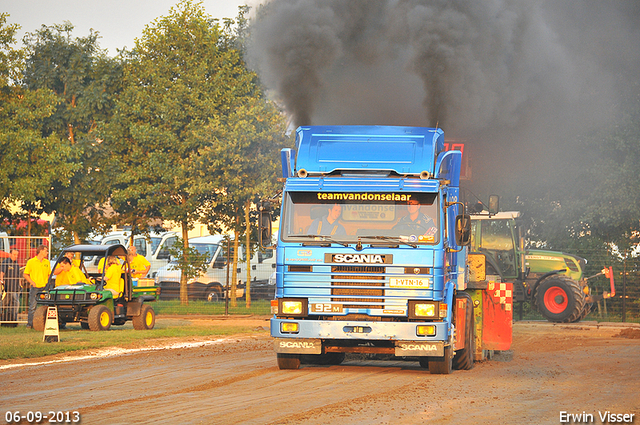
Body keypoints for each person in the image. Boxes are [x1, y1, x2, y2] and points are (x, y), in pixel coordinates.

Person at [24, 245, 50, 328]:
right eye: (46, 251)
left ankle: (45, 324)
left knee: (46, 306)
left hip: (45, 287)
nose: (47, 252)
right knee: (32, 306)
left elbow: (49, 274)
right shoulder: (31, 262)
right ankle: (30, 324)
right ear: (41, 251)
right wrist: (32, 282)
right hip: (35, 287)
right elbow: (25, 274)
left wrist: (47, 283)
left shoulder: (47, 262)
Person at [0, 249, 21, 326]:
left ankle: (13, 319)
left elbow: (18, 276)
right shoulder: (5, 262)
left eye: (17, 255)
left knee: (15, 303)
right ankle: (4, 319)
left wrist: (20, 285)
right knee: (5, 304)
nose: (16, 256)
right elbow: (1, 273)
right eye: (14, 254)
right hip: (7, 288)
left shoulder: (17, 264)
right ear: (10, 254)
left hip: (15, 288)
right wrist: (2, 282)